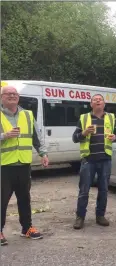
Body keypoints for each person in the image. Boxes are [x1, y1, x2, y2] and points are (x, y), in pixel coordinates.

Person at [1, 85, 49, 246]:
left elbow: (37, 137)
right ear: (2, 97)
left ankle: (27, 228)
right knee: (2, 200)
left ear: (18, 97)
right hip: (4, 166)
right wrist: (4, 135)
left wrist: (43, 154)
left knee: (24, 199)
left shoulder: (28, 115)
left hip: (23, 164)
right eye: (8, 94)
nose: (12, 96)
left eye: (15, 94)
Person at [72, 94, 116, 229]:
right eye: (95, 99)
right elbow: (75, 138)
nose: (98, 101)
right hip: (88, 160)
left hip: (105, 159)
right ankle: (80, 217)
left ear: (104, 104)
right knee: (84, 190)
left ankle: (100, 216)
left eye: (100, 100)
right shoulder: (84, 118)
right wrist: (84, 133)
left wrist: (115, 137)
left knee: (104, 190)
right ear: (91, 104)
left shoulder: (111, 118)